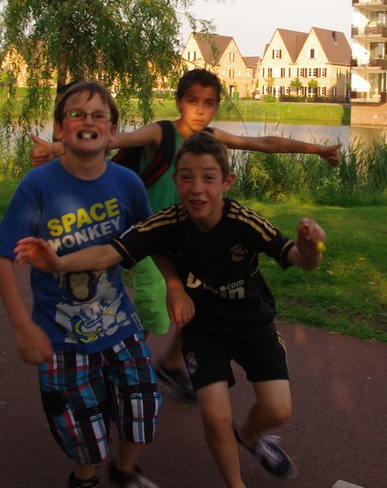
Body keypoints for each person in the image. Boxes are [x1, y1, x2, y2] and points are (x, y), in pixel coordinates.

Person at [16, 131, 327, 487]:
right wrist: (58, 263)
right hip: (204, 333)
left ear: (227, 182)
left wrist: (312, 249)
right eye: (187, 178)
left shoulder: (244, 221)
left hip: (253, 326)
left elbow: (299, 258)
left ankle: (249, 434)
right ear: (176, 181)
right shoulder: (167, 223)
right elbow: (110, 251)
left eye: (208, 178)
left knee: (278, 410)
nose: (198, 189)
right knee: (215, 417)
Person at [30, 68, 340, 401]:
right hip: (150, 236)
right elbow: (111, 139)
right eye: (192, 101)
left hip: (186, 240)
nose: (200, 110)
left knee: (198, 303)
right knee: (153, 308)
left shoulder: (210, 139)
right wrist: (58, 150)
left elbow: (264, 143)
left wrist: (317, 149)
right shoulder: (161, 132)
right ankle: (120, 364)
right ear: (179, 102)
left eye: (209, 103)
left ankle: (168, 364)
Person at [0, 81, 164, 488]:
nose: (88, 121)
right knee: (81, 426)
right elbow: (1, 256)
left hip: (120, 325)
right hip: (61, 335)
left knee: (142, 403)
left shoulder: (127, 183)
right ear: (59, 128)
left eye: (99, 115)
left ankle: (125, 471)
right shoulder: (37, 185)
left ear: (113, 131)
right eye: (76, 114)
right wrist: (22, 327)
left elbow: (150, 239)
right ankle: (85, 478)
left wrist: (174, 286)